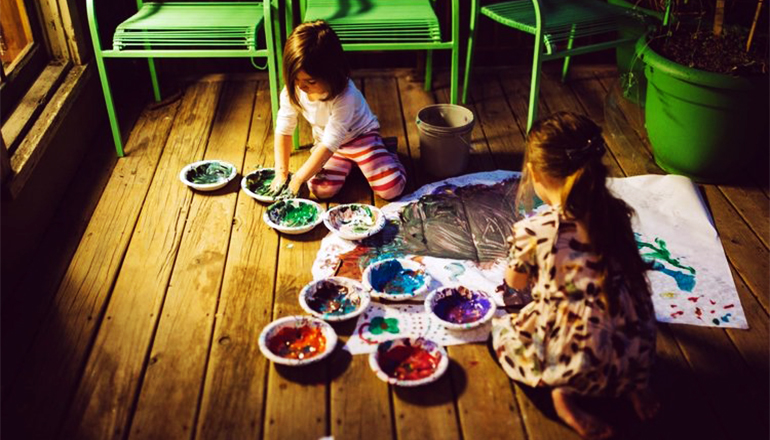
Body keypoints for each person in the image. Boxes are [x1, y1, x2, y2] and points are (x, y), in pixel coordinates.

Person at [492, 112, 659, 439]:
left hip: (579, 364)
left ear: (536, 173)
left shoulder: (534, 230)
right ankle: (634, 388)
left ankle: (563, 397)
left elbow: (513, 286)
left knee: (499, 332)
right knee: (612, 321)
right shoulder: (617, 214)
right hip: (638, 348)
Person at [269, 20, 406, 200]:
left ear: (331, 72)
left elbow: (330, 143)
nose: (301, 86)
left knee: (390, 189)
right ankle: (352, 166)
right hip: (330, 144)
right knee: (320, 190)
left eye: (310, 81)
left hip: (361, 138)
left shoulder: (345, 94)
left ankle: (388, 153)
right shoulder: (291, 91)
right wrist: (282, 172)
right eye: (295, 79)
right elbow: (284, 129)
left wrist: (298, 178)